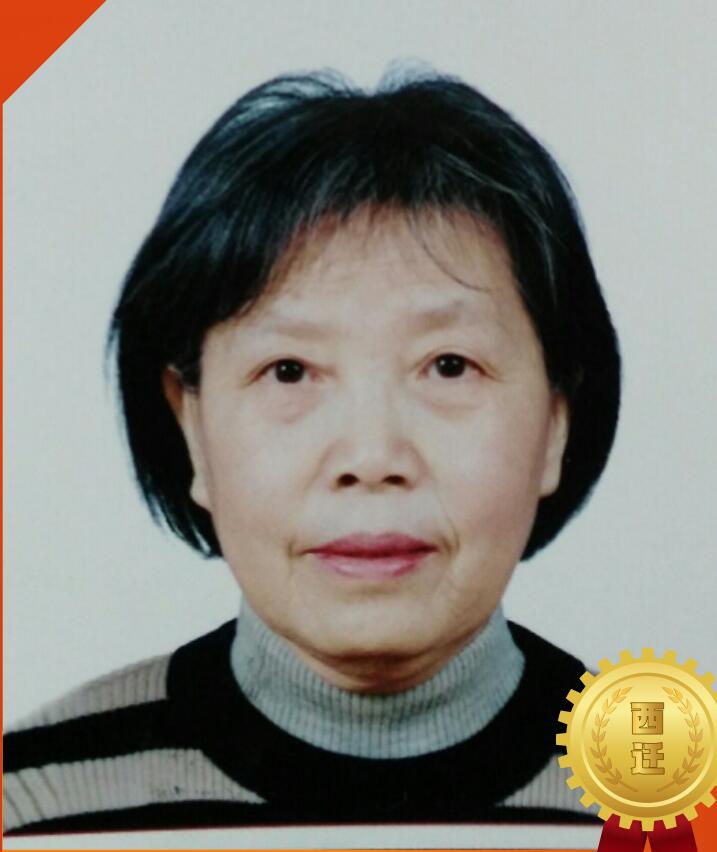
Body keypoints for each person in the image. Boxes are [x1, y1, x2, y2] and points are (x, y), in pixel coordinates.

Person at [3, 67, 620, 835]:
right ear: (190, 424)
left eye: (448, 366)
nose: (372, 455)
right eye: (289, 371)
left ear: (555, 422)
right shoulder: (34, 804)